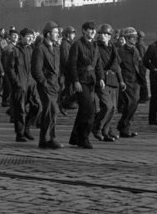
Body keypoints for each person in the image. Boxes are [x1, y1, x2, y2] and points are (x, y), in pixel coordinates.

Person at [67, 21, 105, 149]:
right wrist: (75, 81)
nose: (93, 32)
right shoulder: (77, 45)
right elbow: (71, 65)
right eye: (90, 30)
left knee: (83, 110)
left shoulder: (94, 46)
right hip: (81, 81)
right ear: (83, 31)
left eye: (94, 30)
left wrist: (101, 78)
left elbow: (98, 63)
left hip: (91, 81)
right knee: (90, 110)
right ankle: (84, 138)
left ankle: (75, 137)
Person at [31, 21, 63, 149]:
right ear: (48, 34)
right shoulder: (40, 49)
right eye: (55, 32)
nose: (57, 34)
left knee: (52, 112)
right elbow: (36, 70)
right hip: (46, 85)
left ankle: (47, 138)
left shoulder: (55, 48)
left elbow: (57, 67)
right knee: (51, 110)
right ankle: (47, 138)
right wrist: (44, 83)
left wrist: (60, 82)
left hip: (55, 85)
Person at [6, 27, 40, 143]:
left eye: (32, 37)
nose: (30, 39)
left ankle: (27, 127)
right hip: (20, 84)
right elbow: (9, 69)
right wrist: (16, 82)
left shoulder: (31, 50)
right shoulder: (14, 51)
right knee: (20, 110)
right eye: (28, 37)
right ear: (21, 37)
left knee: (37, 105)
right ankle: (19, 134)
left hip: (31, 83)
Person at [92, 23, 125, 142]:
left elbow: (117, 65)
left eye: (105, 34)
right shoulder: (95, 47)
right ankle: (97, 127)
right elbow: (96, 65)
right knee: (107, 106)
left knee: (113, 109)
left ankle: (106, 132)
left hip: (113, 81)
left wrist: (121, 80)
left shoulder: (112, 47)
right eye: (100, 33)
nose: (102, 36)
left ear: (109, 36)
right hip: (102, 80)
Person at [116, 27, 146, 138]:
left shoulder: (135, 50)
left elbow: (139, 65)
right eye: (133, 37)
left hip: (135, 81)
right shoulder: (120, 51)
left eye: (136, 38)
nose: (135, 39)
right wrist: (121, 81)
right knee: (130, 103)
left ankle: (124, 127)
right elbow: (117, 67)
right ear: (127, 38)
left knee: (134, 104)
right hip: (126, 81)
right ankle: (123, 126)